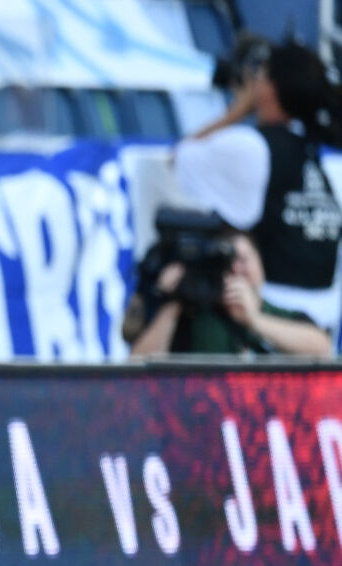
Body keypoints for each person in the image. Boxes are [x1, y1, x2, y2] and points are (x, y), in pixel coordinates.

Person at [174, 41, 342, 334]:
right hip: (324, 317)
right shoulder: (318, 150)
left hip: (269, 309)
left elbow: (180, 158)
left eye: (259, 75)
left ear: (269, 88)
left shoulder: (252, 147)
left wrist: (237, 111)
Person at [127, 229, 331, 357]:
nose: (236, 270)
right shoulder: (192, 317)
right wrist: (175, 300)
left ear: (261, 264)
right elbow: (138, 366)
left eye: (243, 260)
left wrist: (254, 321)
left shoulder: (277, 314)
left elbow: (322, 349)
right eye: (226, 263)